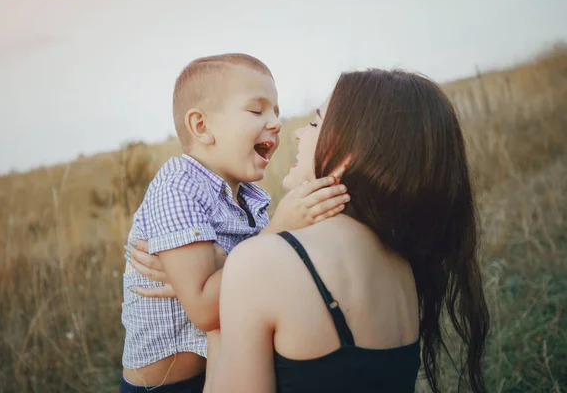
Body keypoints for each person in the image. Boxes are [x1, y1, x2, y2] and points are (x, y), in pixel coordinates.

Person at [205, 69, 490, 392]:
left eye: (314, 123)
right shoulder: (403, 267)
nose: (298, 133)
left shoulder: (262, 262)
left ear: (348, 156)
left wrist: (216, 327)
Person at [119, 53, 350, 393]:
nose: (274, 123)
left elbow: (251, 279)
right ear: (201, 126)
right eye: (257, 111)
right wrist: (280, 228)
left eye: (276, 112)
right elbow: (205, 311)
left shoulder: (246, 196)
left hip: (222, 370)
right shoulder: (177, 187)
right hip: (167, 387)